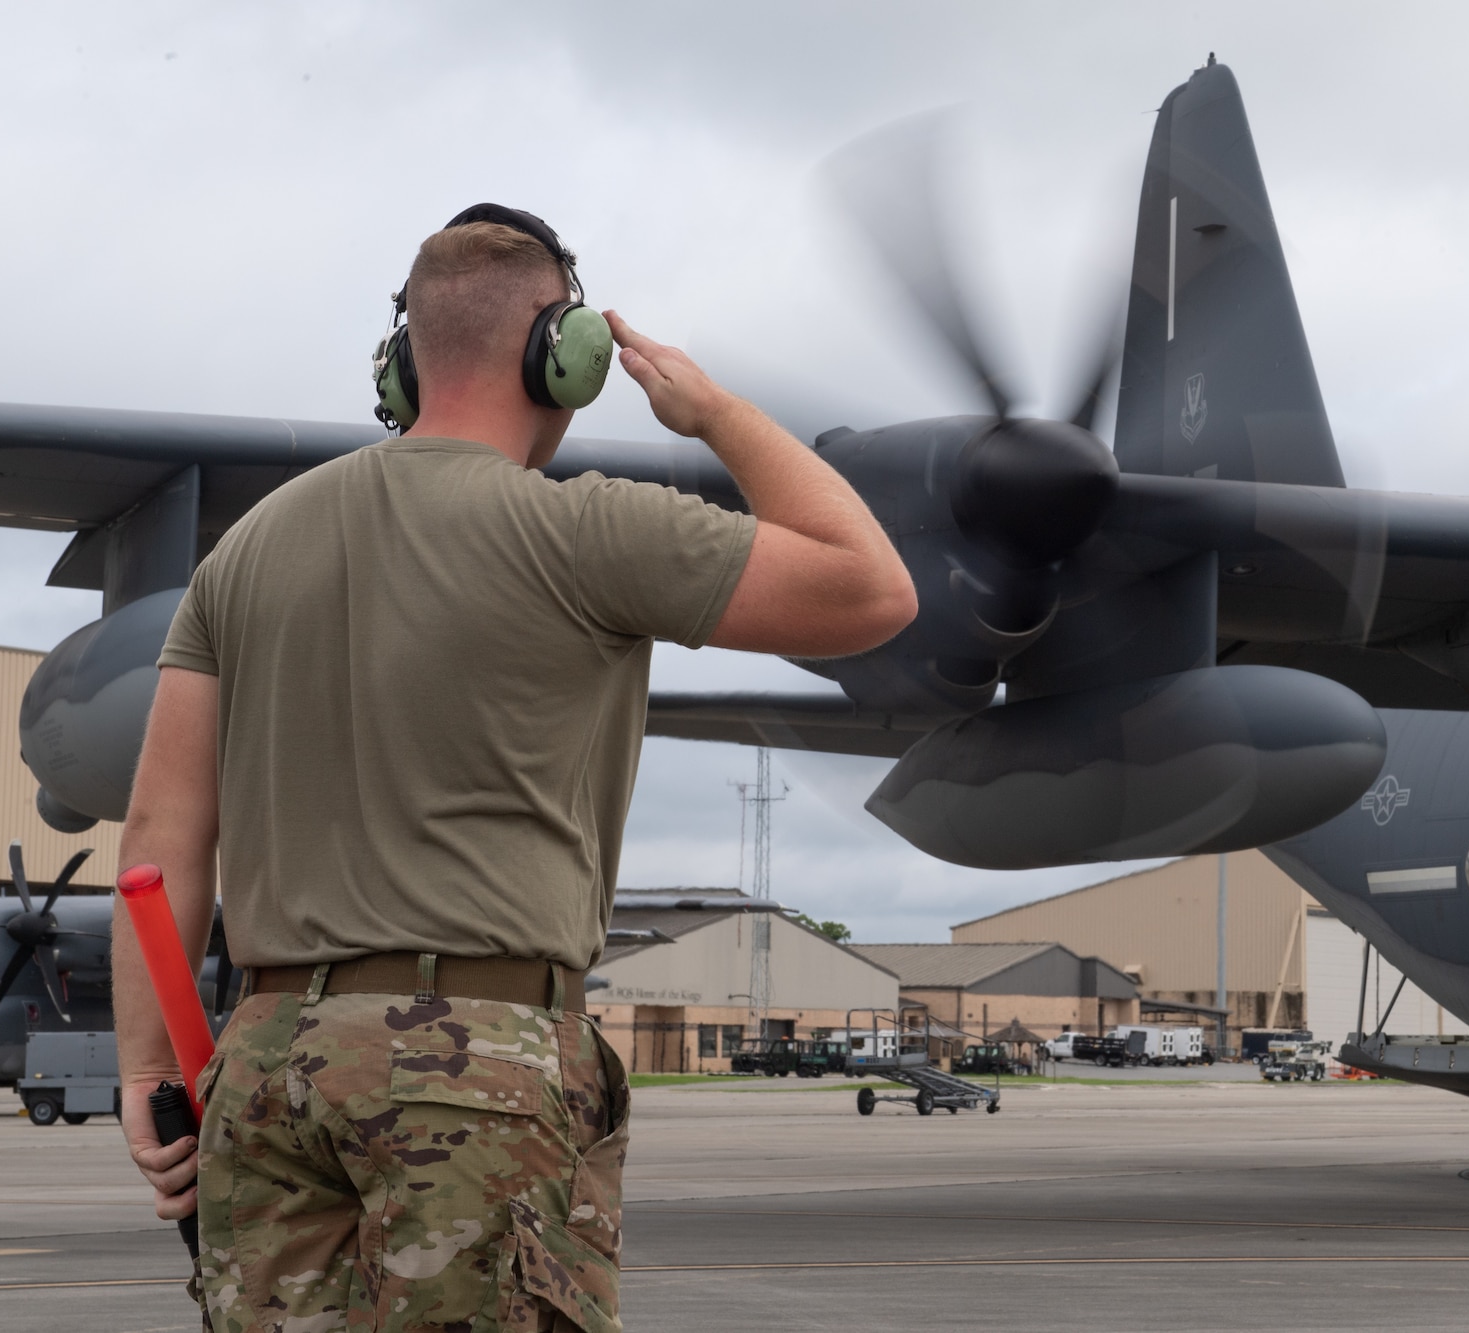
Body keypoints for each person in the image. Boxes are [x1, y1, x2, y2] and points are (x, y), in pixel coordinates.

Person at [112, 205, 916, 1333]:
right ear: (566, 358)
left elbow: (158, 832)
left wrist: (151, 1072)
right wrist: (715, 412)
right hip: (471, 1061)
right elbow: (871, 588)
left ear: (401, 363)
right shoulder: (588, 534)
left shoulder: (242, 553)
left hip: (266, 1064)